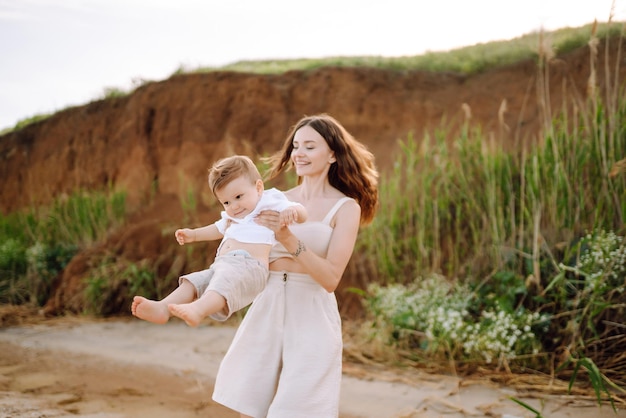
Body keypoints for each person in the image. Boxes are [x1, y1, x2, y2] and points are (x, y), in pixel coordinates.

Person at [212, 113, 379, 418]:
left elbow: (330, 279)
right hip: (267, 307)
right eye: (296, 146)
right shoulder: (272, 200)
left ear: (332, 154)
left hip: (313, 315)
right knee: (250, 407)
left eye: (310, 146)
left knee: (298, 409)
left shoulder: (346, 208)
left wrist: (287, 239)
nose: (299, 153)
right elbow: (241, 249)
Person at [131, 155, 307, 327]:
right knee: (195, 282)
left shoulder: (268, 201)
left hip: (251, 266)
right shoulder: (234, 216)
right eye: (226, 203)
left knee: (222, 281)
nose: (234, 206)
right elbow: (216, 229)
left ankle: (198, 310)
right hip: (223, 265)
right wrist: (193, 235)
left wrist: (293, 213)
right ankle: (163, 308)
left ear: (259, 188)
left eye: (238, 197)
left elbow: (301, 212)